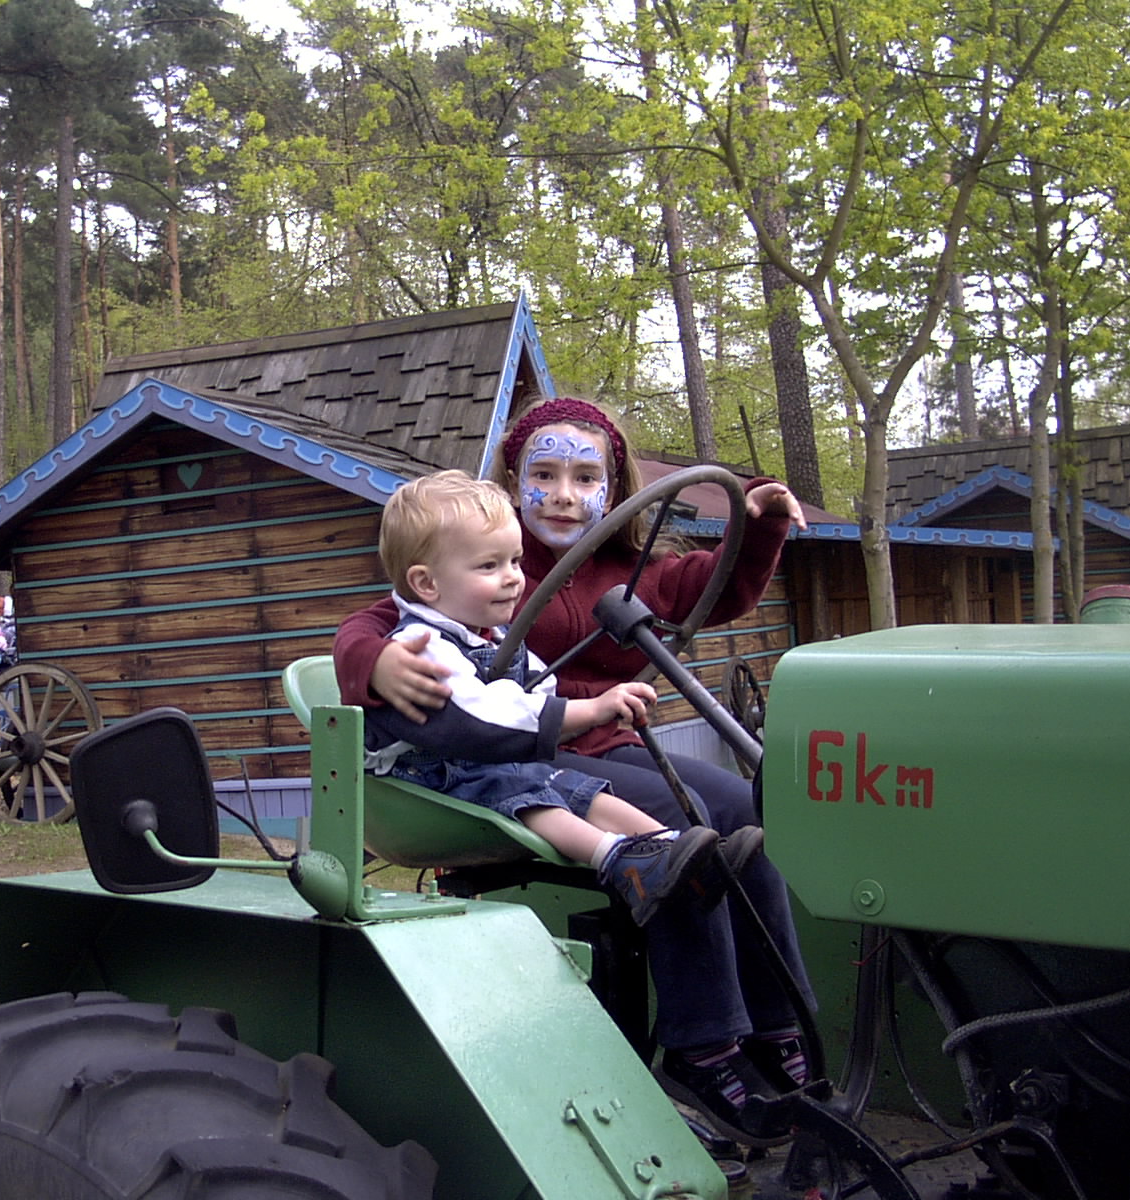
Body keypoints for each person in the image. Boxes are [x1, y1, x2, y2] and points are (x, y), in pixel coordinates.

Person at [333, 396, 816, 1147]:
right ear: (514, 482)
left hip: (609, 741)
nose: (564, 494)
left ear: (614, 490)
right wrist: (374, 662)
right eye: (545, 474)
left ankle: (780, 1029)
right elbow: (377, 622)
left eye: (586, 478)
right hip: (530, 750)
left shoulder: (631, 571)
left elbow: (720, 583)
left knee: (749, 813)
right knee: (690, 834)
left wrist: (757, 525)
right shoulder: (481, 560)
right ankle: (701, 1047)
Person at [363, 470, 727, 926]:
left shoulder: (490, 635)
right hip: (429, 780)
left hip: (479, 762)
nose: (513, 579)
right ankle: (618, 859)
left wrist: (567, 702)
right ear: (427, 583)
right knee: (530, 791)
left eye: (515, 561)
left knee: (576, 786)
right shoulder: (421, 646)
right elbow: (483, 720)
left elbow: (539, 683)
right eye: (489, 567)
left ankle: (677, 852)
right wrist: (591, 709)